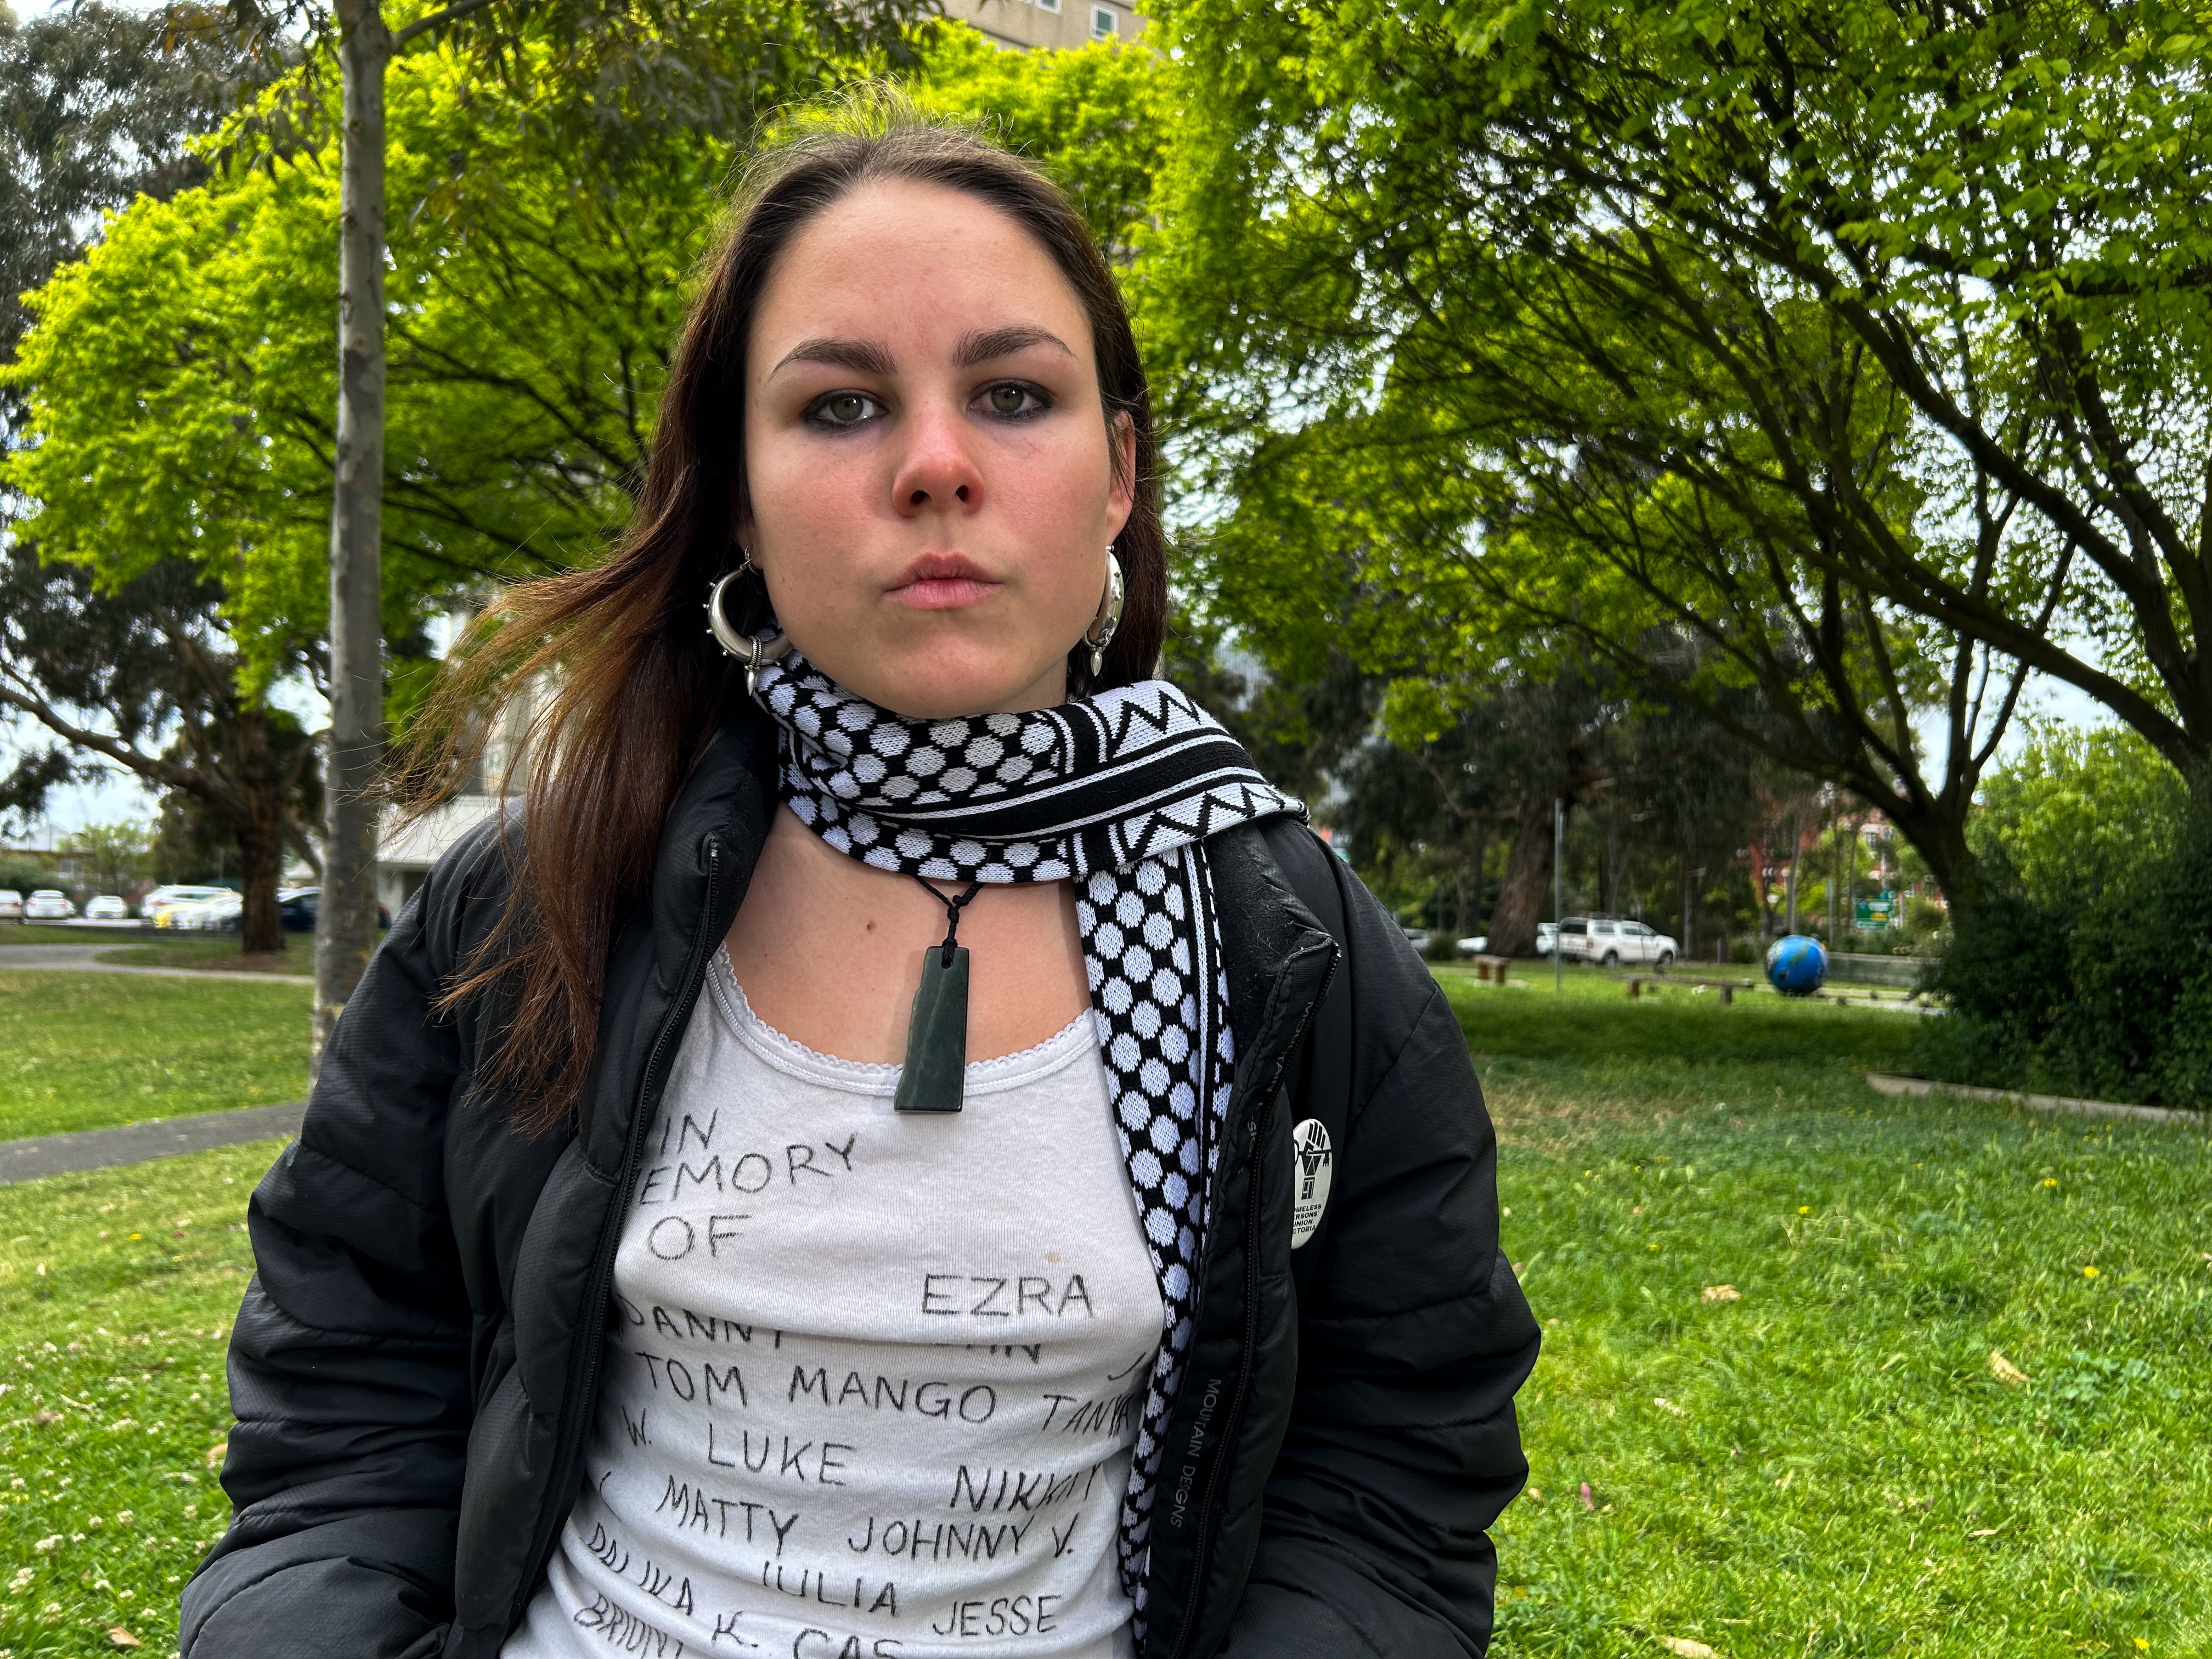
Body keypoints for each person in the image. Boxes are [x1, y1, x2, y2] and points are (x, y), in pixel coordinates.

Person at [181, 109, 1539, 1659]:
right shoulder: (538, 901)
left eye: (1014, 395)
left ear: (1118, 477)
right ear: (739, 497)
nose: (937, 466)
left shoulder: (1292, 947)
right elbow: (346, 1396)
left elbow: (1393, 1477)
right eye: (840, 406)